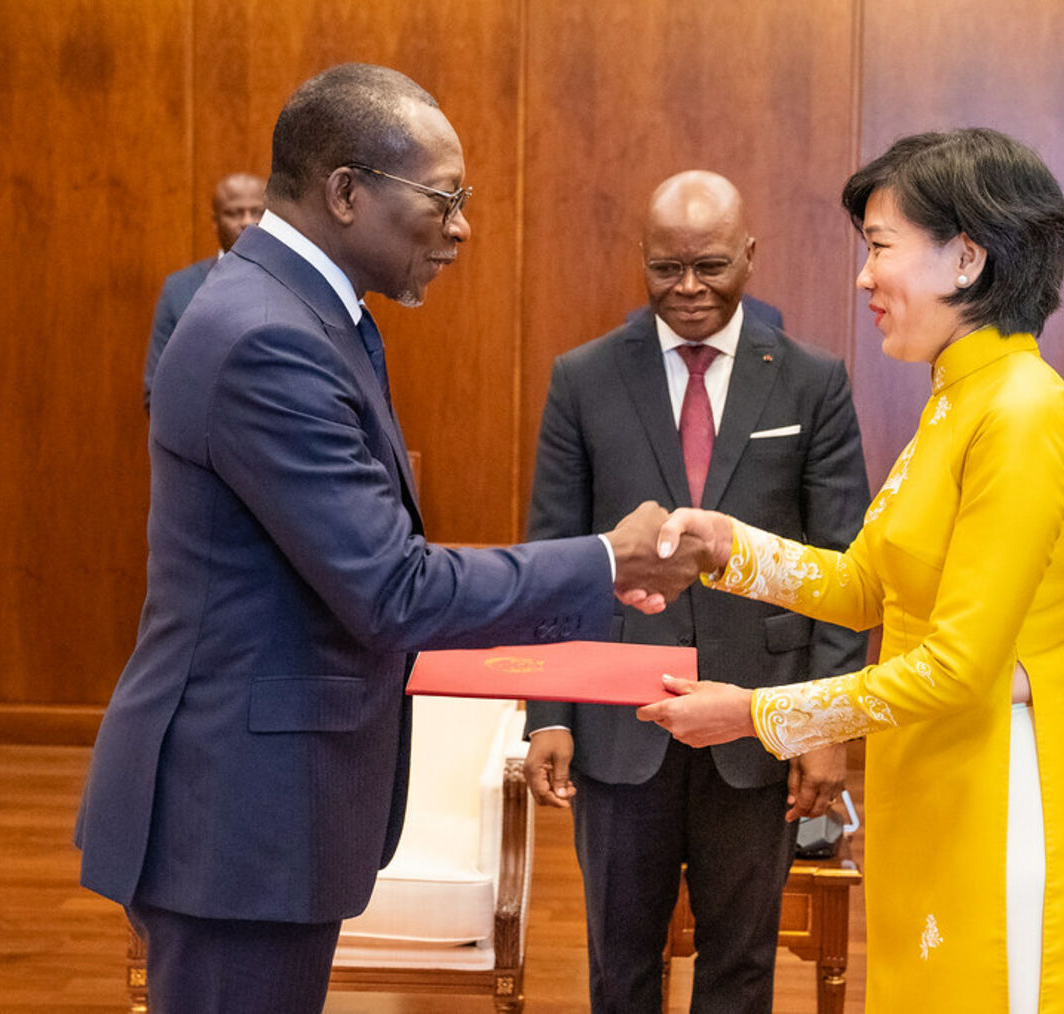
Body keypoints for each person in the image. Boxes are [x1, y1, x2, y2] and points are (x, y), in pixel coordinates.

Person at [74, 64, 703, 1014]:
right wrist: (609, 560)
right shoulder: (267, 338)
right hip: (237, 817)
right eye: (444, 199)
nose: (461, 228)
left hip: (261, 808)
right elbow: (391, 589)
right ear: (345, 191)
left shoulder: (302, 313)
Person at [637, 130, 1064, 1013]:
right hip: (934, 773)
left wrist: (756, 714)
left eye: (880, 247)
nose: (864, 278)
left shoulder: (1021, 410)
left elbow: (960, 666)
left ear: (967, 258)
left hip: (1003, 786)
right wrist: (726, 546)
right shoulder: (956, 400)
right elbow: (867, 585)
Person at [524, 170, 871, 1013]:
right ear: (641, 259)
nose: (687, 288)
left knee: (741, 965)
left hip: (759, 723)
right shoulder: (583, 378)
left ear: (749, 255)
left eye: (710, 266)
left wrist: (823, 727)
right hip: (619, 723)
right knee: (620, 964)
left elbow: (844, 566)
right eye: (665, 268)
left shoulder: (811, 380)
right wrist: (548, 714)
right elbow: (554, 557)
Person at [142, 172, 266, 412]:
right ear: (215, 221)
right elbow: (156, 392)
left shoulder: (295, 283)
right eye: (234, 213)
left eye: (257, 212)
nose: (247, 222)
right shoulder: (180, 289)